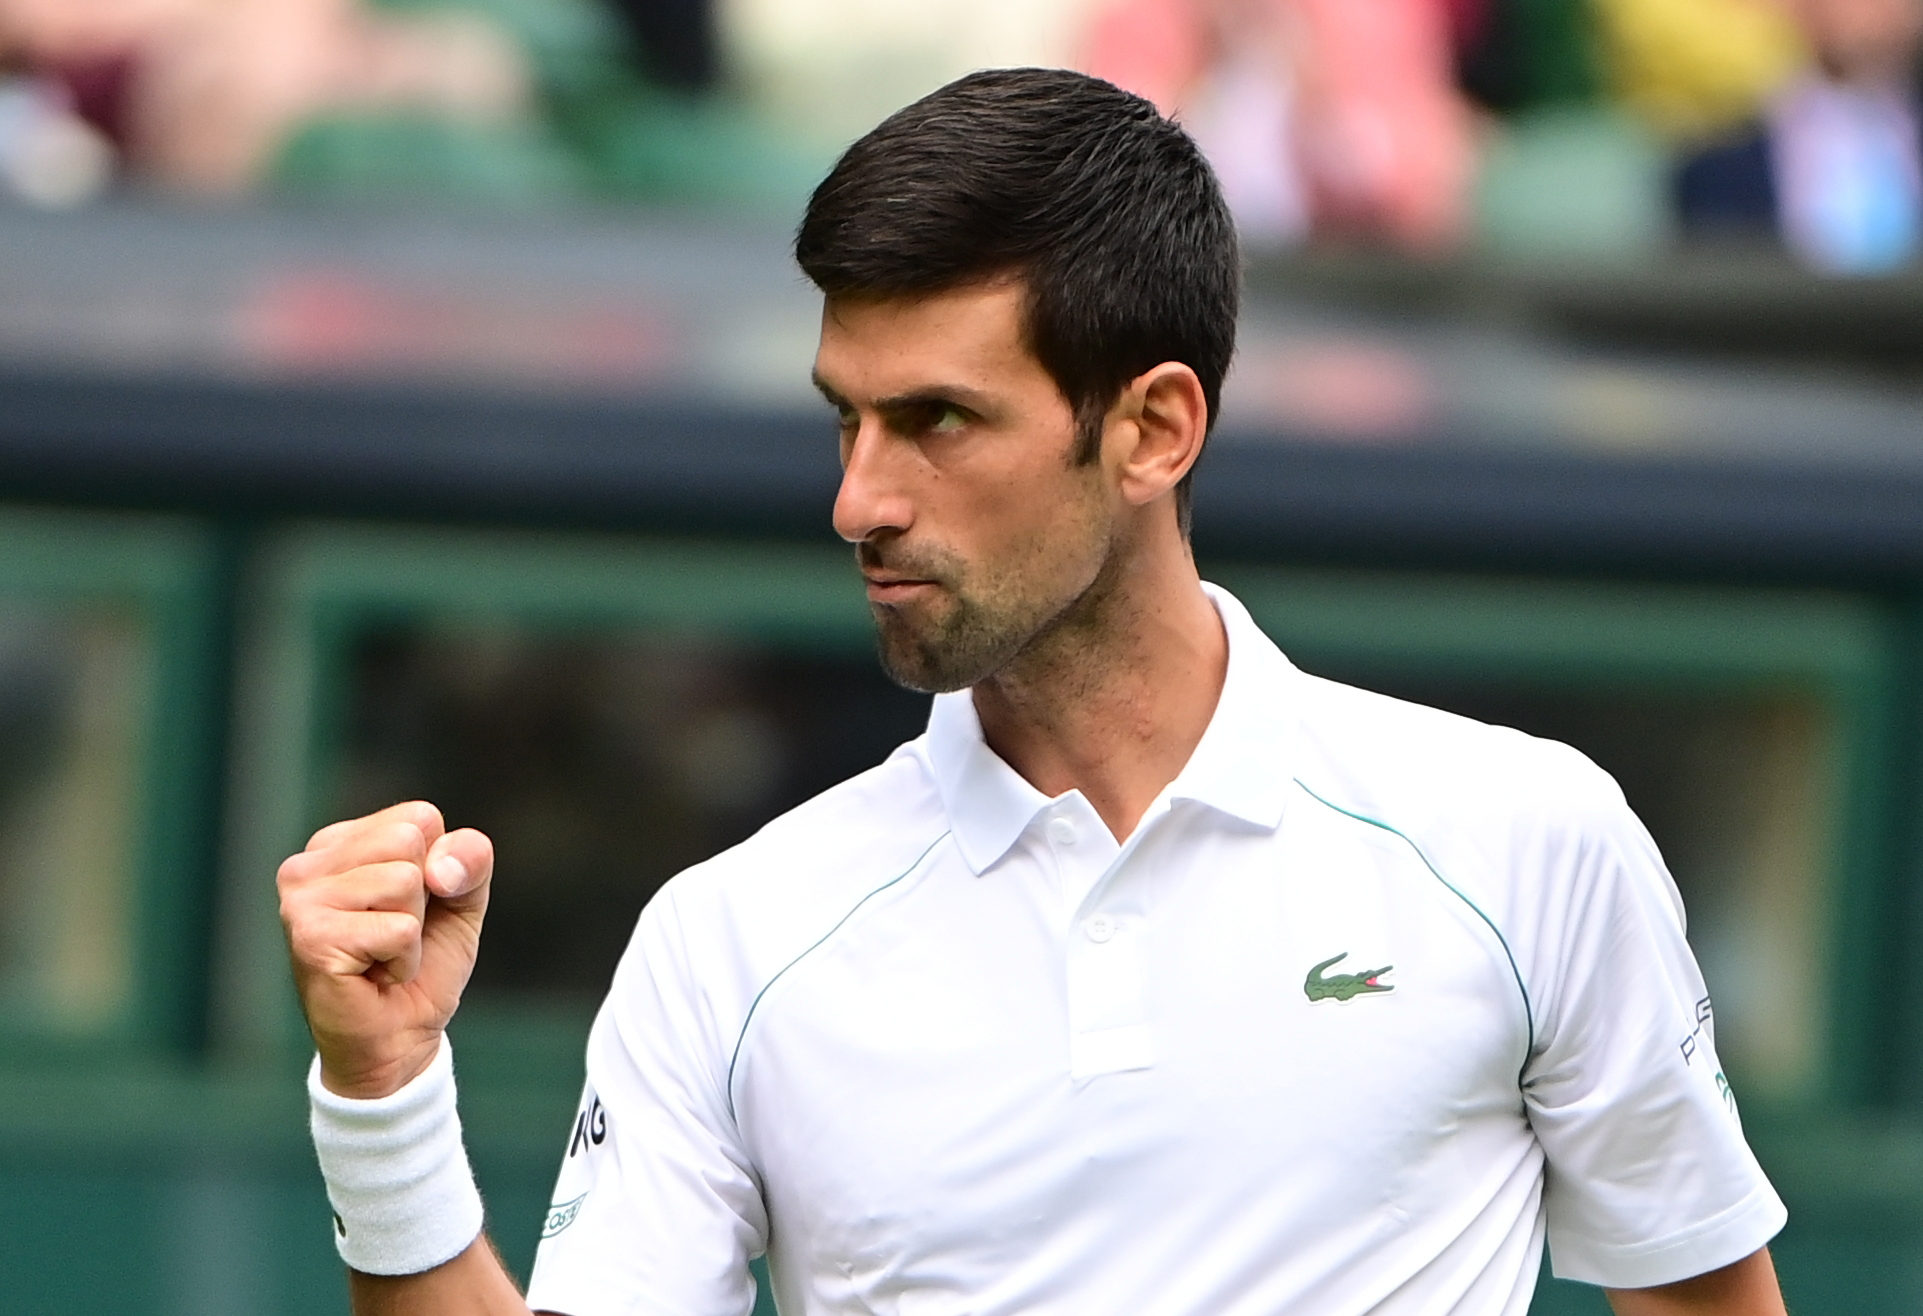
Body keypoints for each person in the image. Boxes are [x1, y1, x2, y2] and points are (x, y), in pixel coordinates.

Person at [279, 67, 1791, 1316]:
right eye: (846, 422)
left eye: (937, 420)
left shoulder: (1527, 840)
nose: (858, 499)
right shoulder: (728, 946)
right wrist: (386, 1092)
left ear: (1153, 432)